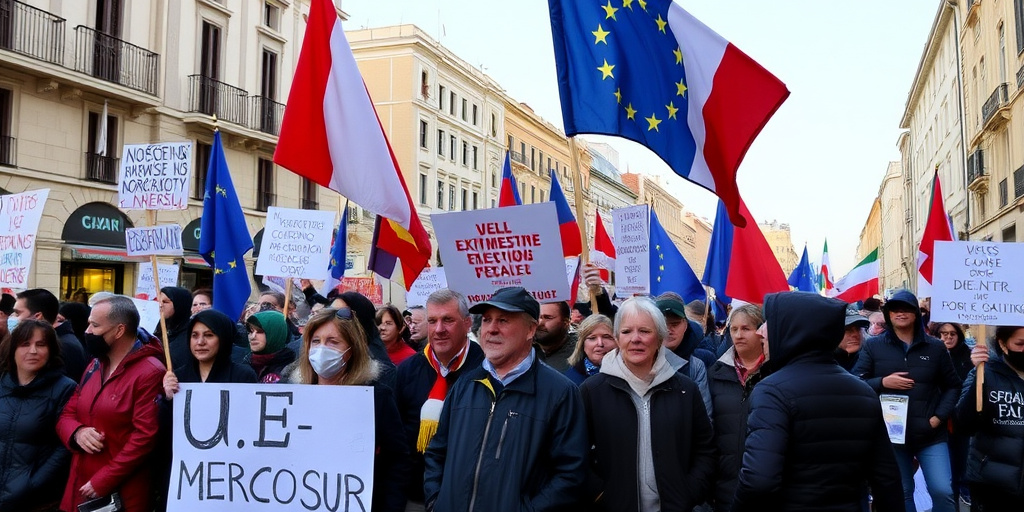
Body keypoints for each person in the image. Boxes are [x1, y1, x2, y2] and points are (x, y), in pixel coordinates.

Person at [733, 291, 903, 512]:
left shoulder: (771, 391)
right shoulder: (863, 391)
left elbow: (759, 480)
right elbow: (887, 480)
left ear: (792, 330)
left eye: (769, 323)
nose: (761, 332)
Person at [423, 286, 587, 512]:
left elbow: (570, 474)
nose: (491, 329)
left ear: (531, 329)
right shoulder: (465, 384)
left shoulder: (560, 393)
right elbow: (437, 452)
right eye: (487, 320)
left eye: (503, 320)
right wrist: (436, 502)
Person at [580, 297, 715, 511]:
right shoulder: (592, 391)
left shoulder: (685, 390)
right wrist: (600, 495)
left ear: (660, 338)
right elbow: (575, 453)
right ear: (617, 337)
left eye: (645, 331)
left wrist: (689, 492)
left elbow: (705, 449)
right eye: (626, 332)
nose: (636, 339)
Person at [852, 290, 962, 512]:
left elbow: (953, 385)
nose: (900, 313)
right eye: (895, 309)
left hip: (930, 433)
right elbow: (856, 382)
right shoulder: (874, 345)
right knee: (902, 492)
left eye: (906, 308)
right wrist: (883, 382)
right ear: (888, 313)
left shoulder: (935, 347)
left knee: (943, 490)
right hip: (891, 434)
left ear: (915, 312)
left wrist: (938, 418)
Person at [56, 295, 166, 512]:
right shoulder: (94, 365)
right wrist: (77, 432)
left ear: (119, 331)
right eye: (88, 324)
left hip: (119, 495)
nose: (87, 331)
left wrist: (104, 480)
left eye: (95, 325)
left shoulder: (150, 372)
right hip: (79, 487)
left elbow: (145, 437)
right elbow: (67, 413)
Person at [294, 308, 410, 512]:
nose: (322, 349)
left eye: (333, 342)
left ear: (351, 349)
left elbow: (396, 461)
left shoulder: (376, 397)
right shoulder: (293, 397)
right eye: (316, 341)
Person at [394, 289, 485, 511]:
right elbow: (396, 438)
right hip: (414, 495)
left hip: (469, 497)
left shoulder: (486, 369)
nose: (439, 329)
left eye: (448, 320)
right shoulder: (407, 370)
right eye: (433, 321)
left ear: (467, 324)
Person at [0, 319, 77, 510]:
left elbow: (63, 447)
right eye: (25, 344)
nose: (33, 351)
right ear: (13, 349)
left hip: (36, 499)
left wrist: (32, 484)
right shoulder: (1, 382)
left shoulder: (65, 388)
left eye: (40, 345)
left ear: (51, 350)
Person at [955, 325, 1024, 508]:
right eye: (1021, 343)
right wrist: (979, 376)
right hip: (992, 482)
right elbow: (964, 424)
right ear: (1002, 343)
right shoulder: (985, 373)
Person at [707, 304, 767, 512]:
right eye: (734, 329)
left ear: (761, 331)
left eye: (746, 328)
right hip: (724, 486)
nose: (739, 335)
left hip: (766, 487)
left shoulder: (776, 374)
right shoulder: (715, 373)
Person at [162, 309, 258, 398]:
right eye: (194, 336)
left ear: (223, 338)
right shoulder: (178, 378)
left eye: (209, 335)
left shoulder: (243, 376)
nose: (200, 342)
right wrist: (168, 397)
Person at [932, 321, 973, 506]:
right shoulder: (931, 354)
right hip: (937, 419)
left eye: (952, 334)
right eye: (943, 333)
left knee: (961, 463)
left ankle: (963, 493)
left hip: (962, 420)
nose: (947, 337)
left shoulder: (970, 356)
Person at [11, 288, 87, 381]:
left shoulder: (64, 346)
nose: (13, 318)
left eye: (17, 313)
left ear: (37, 317)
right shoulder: (59, 340)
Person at [655, 295, 713, 416]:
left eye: (675, 324)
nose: (669, 330)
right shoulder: (640, 360)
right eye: (664, 324)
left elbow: (704, 418)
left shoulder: (696, 367)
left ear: (685, 325)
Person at [328, 292, 397, 390]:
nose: (331, 319)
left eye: (340, 314)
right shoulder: (318, 355)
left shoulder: (382, 371)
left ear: (360, 321)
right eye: (330, 312)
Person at [244, 310, 296, 383]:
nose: (252, 337)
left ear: (275, 333)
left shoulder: (292, 372)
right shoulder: (243, 365)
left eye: (260, 331)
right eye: (250, 331)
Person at [563, 314, 615, 385]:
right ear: (582, 343)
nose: (600, 343)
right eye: (592, 338)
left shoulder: (630, 372)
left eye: (606, 337)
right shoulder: (570, 381)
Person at [156, 286, 194, 369]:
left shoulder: (191, 334)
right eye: (159, 301)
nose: (160, 305)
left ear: (179, 304)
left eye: (165, 302)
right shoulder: (160, 328)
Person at [534, 301, 576, 372]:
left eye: (548, 318)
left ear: (566, 323)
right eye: (538, 317)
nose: (540, 323)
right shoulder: (524, 350)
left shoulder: (579, 352)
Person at [835, 307, 869, 372]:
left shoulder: (872, 358)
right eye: (847, 330)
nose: (855, 334)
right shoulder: (819, 364)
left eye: (858, 329)